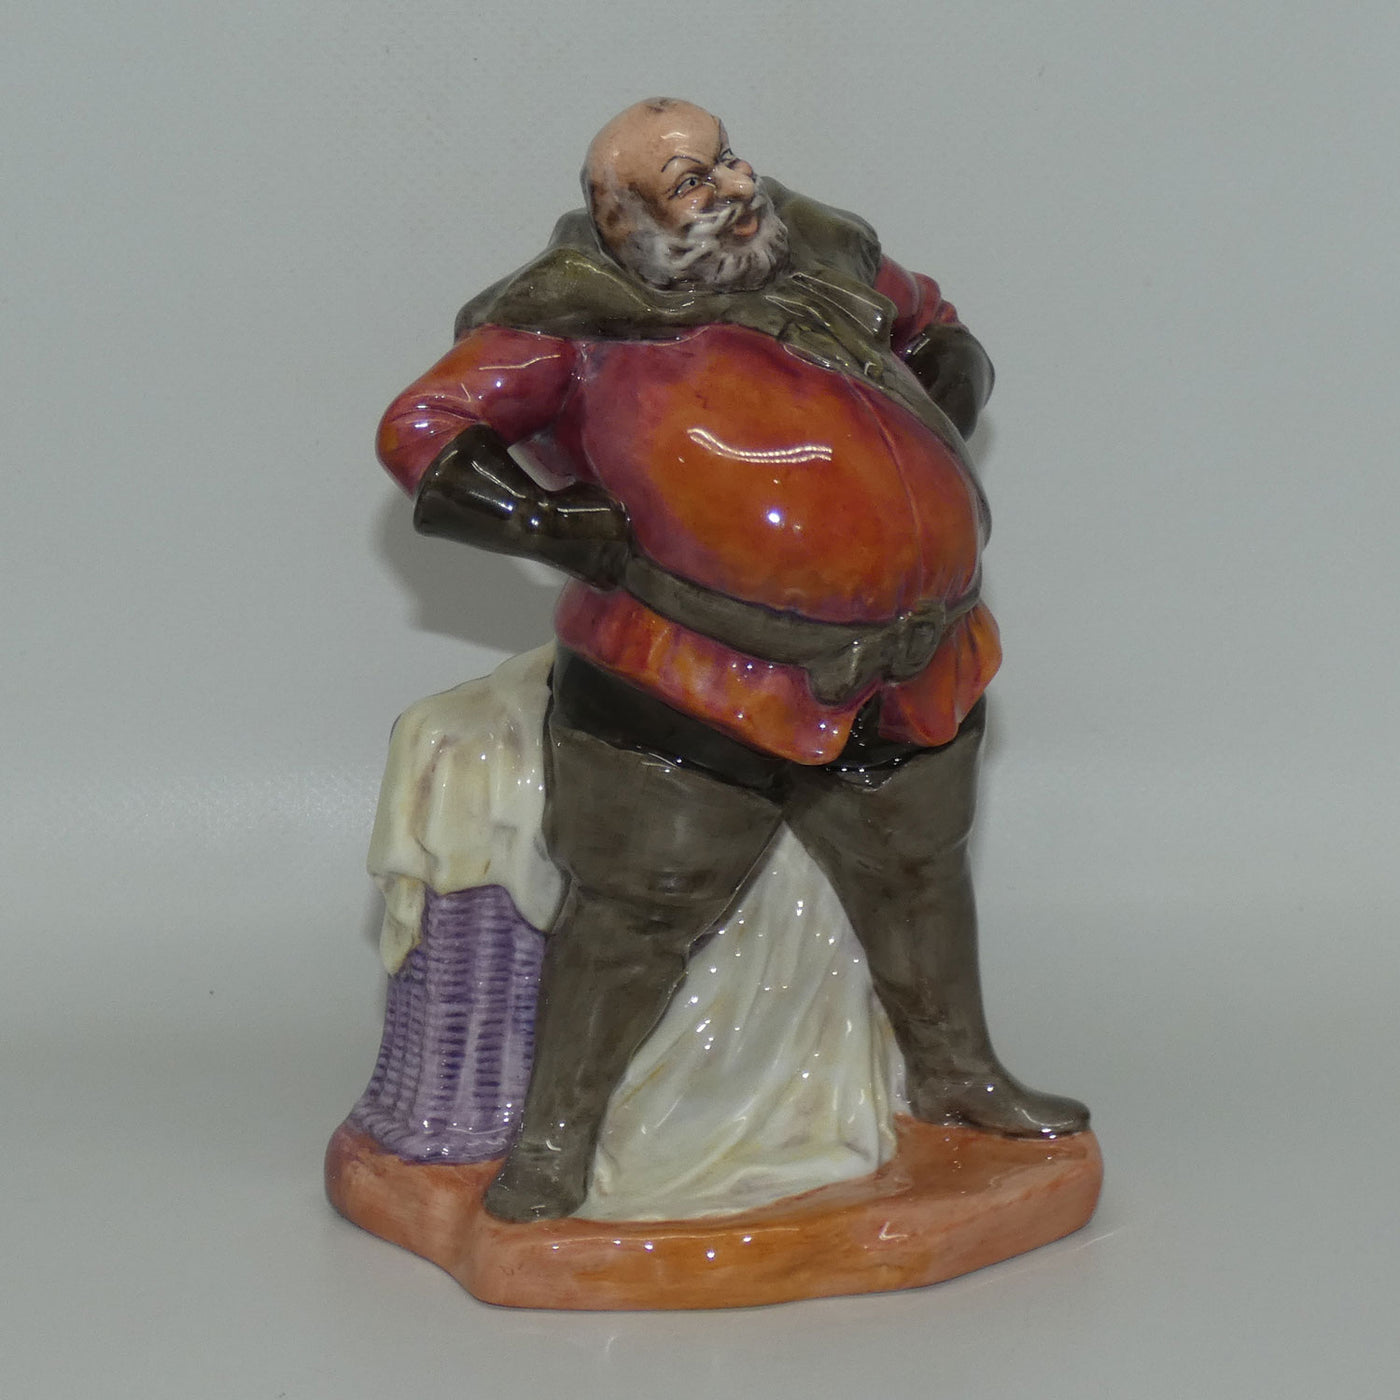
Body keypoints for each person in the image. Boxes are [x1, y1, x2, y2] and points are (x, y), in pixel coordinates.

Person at [376, 98, 1089, 1223]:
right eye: (691, 183)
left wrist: (930, 408)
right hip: (691, 686)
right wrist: (548, 523)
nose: (735, 189)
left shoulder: (824, 254)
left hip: (917, 667)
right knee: (635, 915)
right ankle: (555, 1138)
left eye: (728, 160)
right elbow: (423, 428)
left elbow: (934, 319)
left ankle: (956, 1071)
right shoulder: (571, 323)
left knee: (919, 876)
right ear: (622, 218)